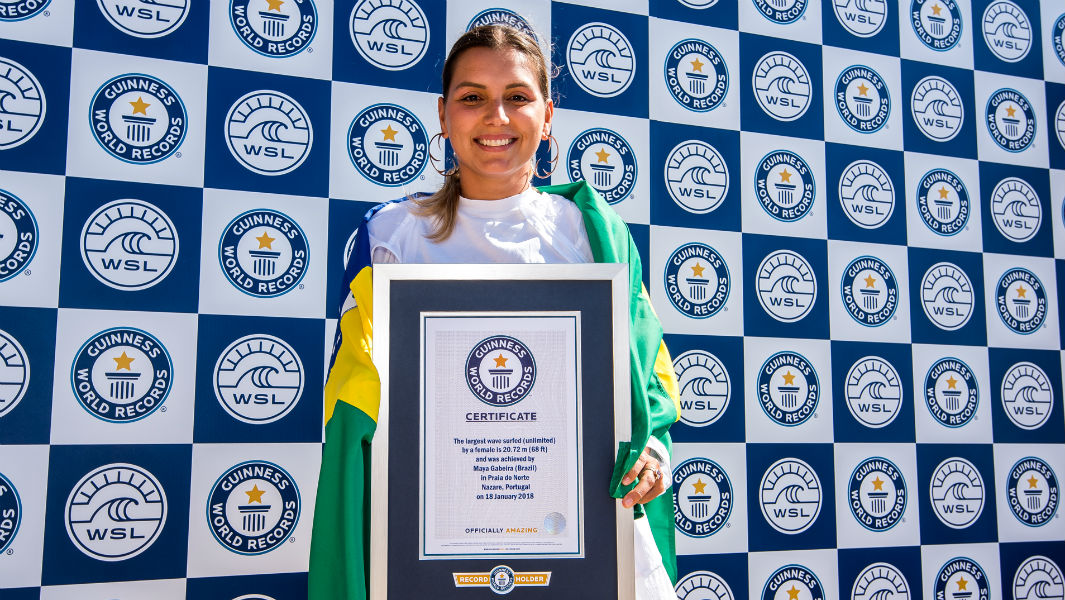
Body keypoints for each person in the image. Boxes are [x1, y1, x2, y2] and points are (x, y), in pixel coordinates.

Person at [309, 24, 681, 600]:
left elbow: (647, 372)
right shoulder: (392, 237)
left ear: (548, 113)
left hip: (581, 540)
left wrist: (651, 451)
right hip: (431, 549)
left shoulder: (593, 234)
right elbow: (355, 400)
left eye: (517, 97)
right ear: (442, 113)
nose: (497, 117)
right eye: (473, 97)